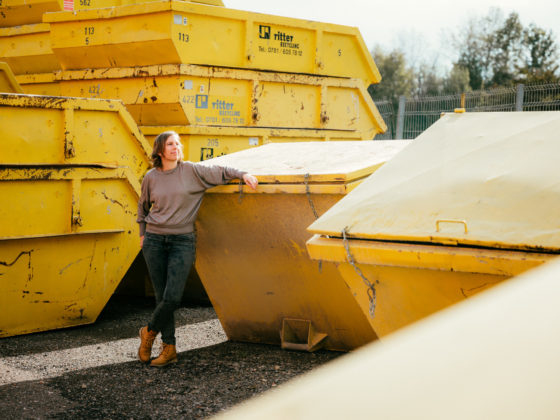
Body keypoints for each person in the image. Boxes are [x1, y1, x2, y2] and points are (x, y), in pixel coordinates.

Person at [136, 131, 258, 367]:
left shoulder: (192, 171)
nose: (176, 147)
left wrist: (244, 174)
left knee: (171, 297)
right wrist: (143, 234)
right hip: (154, 240)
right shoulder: (151, 177)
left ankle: (148, 332)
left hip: (182, 241)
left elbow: (221, 172)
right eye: (170, 144)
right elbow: (143, 207)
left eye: (178, 144)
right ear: (160, 150)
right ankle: (169, 348)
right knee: (161, 296)